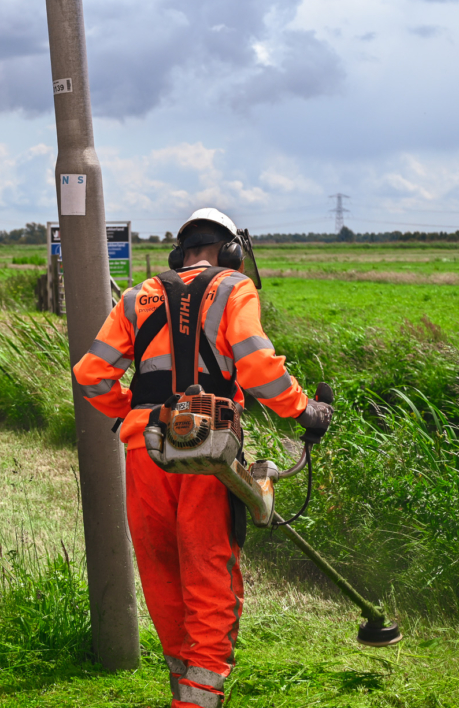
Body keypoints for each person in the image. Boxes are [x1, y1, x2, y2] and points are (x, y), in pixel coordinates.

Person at [72, 208, 332, 708]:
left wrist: (133, 417)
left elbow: (91, 375)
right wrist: (305, 410)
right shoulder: (235, 288)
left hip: (144, 450)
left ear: (180, 252)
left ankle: (183, 690)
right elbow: (257, 365)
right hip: (208, 453)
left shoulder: (136, 295)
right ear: (232, 250)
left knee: (162, 568)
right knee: (208, 569)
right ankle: (198, 699)